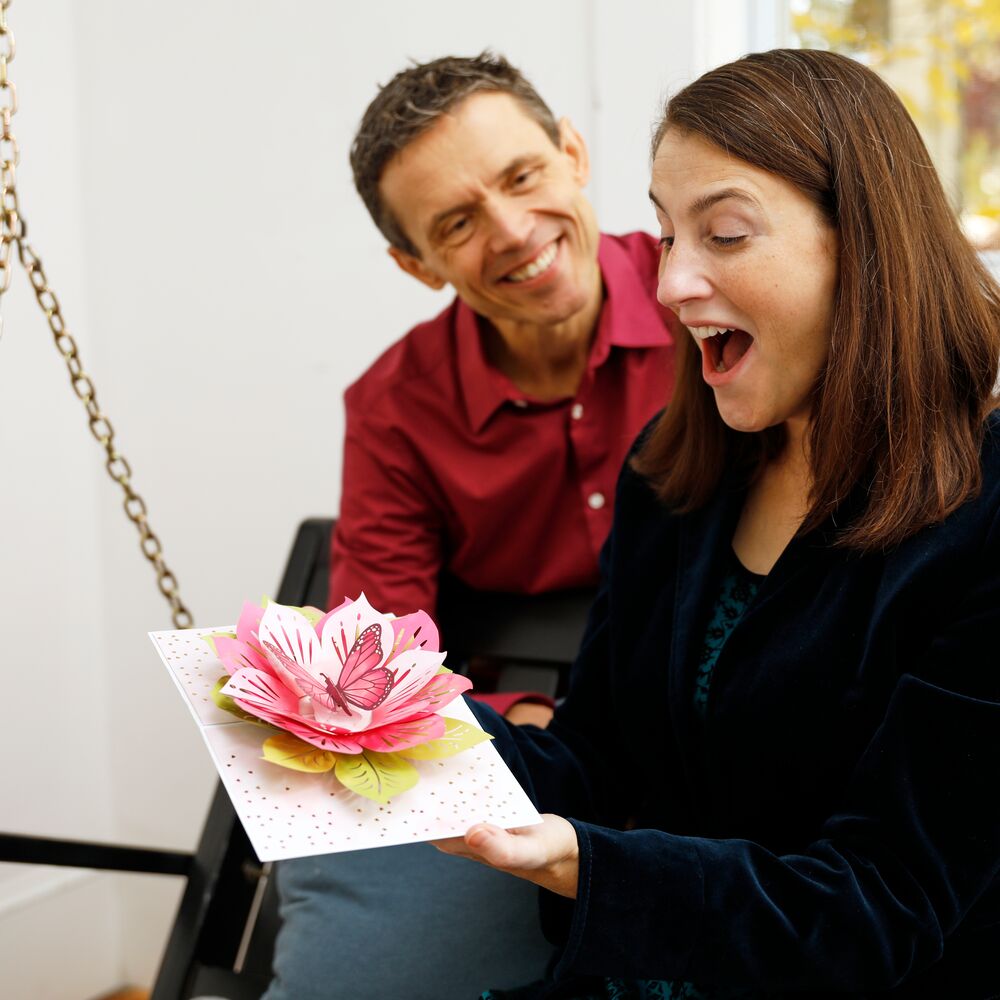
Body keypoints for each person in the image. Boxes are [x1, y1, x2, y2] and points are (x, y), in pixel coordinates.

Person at [438, 48, 1000, 998]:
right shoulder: (676, 472)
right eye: (665, 235)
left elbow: (880, 910)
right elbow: (597, 766)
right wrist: (421, 738)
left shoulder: (984, 517)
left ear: (863, 243)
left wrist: (587, 866)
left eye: (726, 234)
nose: (671, 284)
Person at [262, 54, 677, 1000]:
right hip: (509, 764)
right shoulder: (394, 410)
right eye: (456, 222)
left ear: (572, 153)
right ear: (417, 265)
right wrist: (519, 724)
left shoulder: (709, 303)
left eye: (523, 177)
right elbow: (376, 670)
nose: (512, 231)